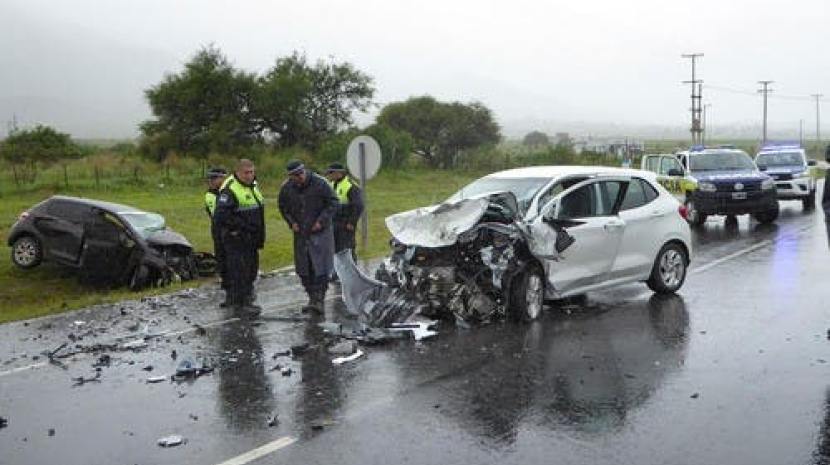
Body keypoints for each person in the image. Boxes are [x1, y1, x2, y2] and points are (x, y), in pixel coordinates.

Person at [278, 160, 338, 313]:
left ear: (304, 171)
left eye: (301, 174)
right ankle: (311, 297)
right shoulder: (286, 188)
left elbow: (333, 203)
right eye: (295, 176)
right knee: (304, 268)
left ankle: (319, 300)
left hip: (320, 232)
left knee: (321, 267)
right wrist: (291, 223)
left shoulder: (321, 184)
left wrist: (321, 221)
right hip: (301, 233)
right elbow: (283, 207)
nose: (299, 178)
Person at [213, 159, 265, 317]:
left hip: (251, 240)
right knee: (239, 272)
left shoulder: (253, 186)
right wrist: (241, 228)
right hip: (238, 240)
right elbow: (221, 216)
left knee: (250, 271)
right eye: (246, 173)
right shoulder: (230, 190)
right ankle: (241, 304)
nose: (249, 176)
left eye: (251, 172)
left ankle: (245, 300)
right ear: (238, 172)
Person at [325, 163, 364, 257]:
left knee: (347, 251)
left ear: (339, 173)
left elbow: (358, 205)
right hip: (333, 223)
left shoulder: (350, 186)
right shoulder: (331, 184)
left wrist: (351, 222)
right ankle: (336, 271)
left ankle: (350, 271)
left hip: (346, 224)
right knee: (334, 251)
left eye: (331, 173)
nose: (329, 175)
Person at [204, 167, 228, 293]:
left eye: (214, 178)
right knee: (221, 254)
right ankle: (225, 281)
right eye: (210, 179)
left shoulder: (227, 191)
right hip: (219, 229)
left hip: (229, 229)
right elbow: (216, 213)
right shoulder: (210, 195)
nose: (211, 181)